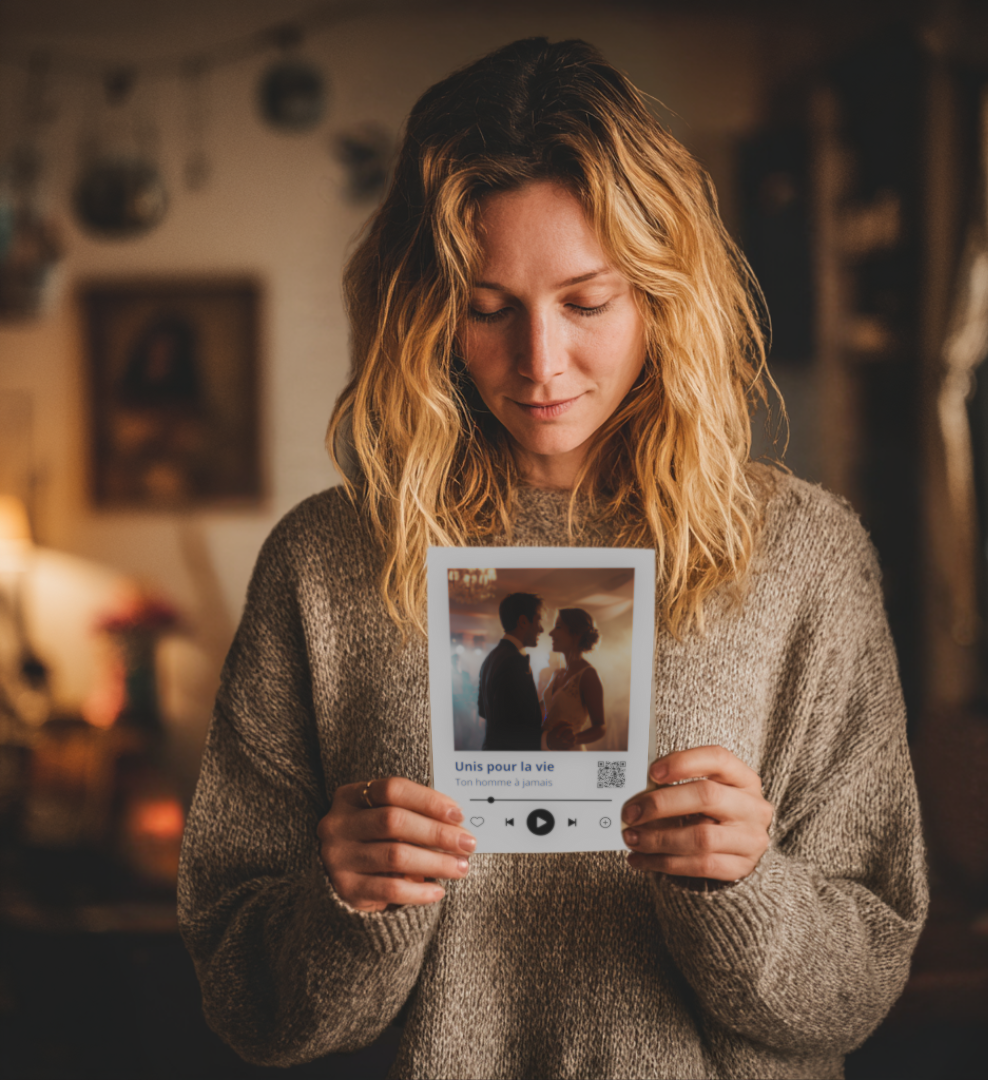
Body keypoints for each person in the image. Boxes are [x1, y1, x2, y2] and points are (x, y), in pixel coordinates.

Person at [179, 36, 927, 1080]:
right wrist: (342, 901)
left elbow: (857, 987)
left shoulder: (801, 556)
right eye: (488, 310)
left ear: (664, 295)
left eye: (587, 302)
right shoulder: (326, 564)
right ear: (426, 313)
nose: (540, 364)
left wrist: (749, 889)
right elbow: (246, 1002)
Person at [476, 591, 545, 750]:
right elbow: (507, 731)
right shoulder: (513, 661)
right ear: (523, 621)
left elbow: (483, 711)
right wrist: (547, 739)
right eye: (538, 620)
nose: (541, 629)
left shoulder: (491, 657)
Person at [540, 607, 606, 751]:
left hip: (569, 751)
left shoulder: (588, 675)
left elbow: (600, 727)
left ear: (575, 635)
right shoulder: (557, 673)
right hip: (546, 749)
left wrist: (573, 738)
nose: (550, 633)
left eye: (558, 627)